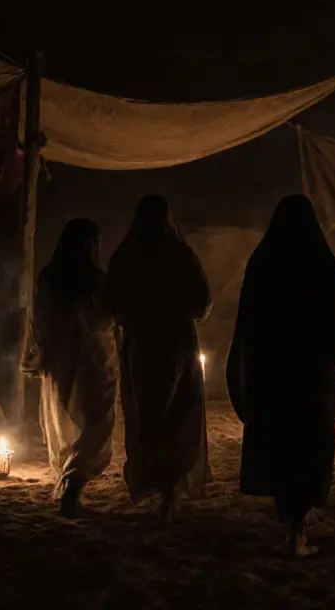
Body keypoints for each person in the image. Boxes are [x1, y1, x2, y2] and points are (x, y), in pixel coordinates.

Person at [227, 195, 335, 557]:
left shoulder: (264, 260)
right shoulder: (323, 262)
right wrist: (331, 363)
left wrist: (247, 367)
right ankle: (298, 526)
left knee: (282, 442)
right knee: (307, 446)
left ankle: (293, 520)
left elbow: (247, 321)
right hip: (311, 374)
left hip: (273, 371)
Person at [104, 195, 212, 519]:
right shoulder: (180, 255)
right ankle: (169, 489)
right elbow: (201, 303)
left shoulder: (126, 256)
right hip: (177, 345)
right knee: (178, 412)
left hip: (142, 347)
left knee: (149, 413)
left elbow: (111, 303)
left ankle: (158, 483)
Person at [24, 218, 118, 517]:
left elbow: (38, 319)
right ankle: (74, 483)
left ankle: (70, 480)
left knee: (64, 420)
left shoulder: (50, 277)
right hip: (92, 361)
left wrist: (40, 351)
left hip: (60, 359)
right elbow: (108, 318)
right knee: (95, 422)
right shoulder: (97, 281)